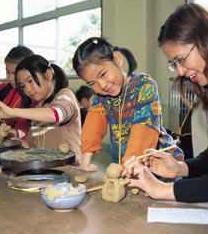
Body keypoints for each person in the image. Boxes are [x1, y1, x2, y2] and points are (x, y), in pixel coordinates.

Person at [123, 3, 208, 206]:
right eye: (174, 64)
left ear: (206, 40)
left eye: (181, 60)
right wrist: (179, 168)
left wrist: (162, 189)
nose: (180, 72)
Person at [72, 37, 183, 172]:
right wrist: (85, 158)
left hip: (156, 163)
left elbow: (144, 127)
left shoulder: (144, 85)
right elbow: (93, 122)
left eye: (102, 74)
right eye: (92, 83)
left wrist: (128, 165)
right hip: (125, 162)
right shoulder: (102, 97)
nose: (102, 85)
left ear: (117, 59)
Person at [0, 54, 82, 163]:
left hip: (70, 169)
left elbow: (56, 115)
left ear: (48, 75)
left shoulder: (65, 95)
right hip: (48, 170)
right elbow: (31, 147)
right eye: (23, 86)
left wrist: (13, 112)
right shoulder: (37, 110)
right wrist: (8, 137)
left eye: (30, 81)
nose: (28, 90)